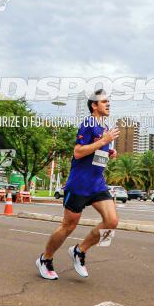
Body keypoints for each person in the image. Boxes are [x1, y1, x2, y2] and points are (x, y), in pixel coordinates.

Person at [37, 89, 119, 280]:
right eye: (104, 101)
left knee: (111, 222)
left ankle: (79, 251)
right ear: (94, 106)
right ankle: (45, 259)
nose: (108, 104)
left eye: (109, 101)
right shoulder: (88, 124)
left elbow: (95, 152)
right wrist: (103, 142)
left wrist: (109, 152)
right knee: (68, 226)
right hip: (80, 184)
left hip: (97, 184)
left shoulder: (103, 127)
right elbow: (78, 152)